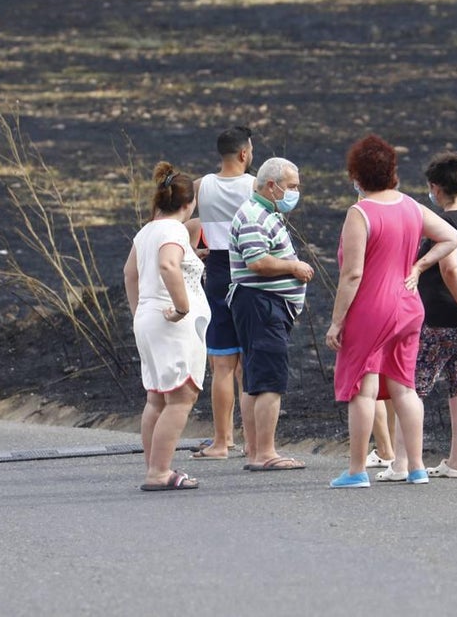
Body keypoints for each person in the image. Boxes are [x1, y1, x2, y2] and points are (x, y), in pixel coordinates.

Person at [325, 135, 457, 488]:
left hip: (372, 309)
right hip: (408, 305)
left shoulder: (360, 213)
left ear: (357, 175)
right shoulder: (411, 206)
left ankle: (356, 470)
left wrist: (337, 321)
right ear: (392, 172)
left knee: (363, 388)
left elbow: (352, 274)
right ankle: (416, 467)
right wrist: (419, 266)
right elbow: (452, 237)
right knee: (405, 387)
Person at [379, 150, 457, 482]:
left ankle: (402, 464)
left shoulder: (445, 223)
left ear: (435, 187)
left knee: (411, 388)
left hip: (441, 319)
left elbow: (450, 270)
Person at [124, 162, 210, 491]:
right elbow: (168, 265)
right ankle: (159, 472)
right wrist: (182, 306)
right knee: (181, 396)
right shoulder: (174, 230)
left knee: (157, 398)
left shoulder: (147, 231)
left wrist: (139, 311)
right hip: (172, 323)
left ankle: (155, 467)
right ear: (188, 203)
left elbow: (130, 274)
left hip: (148, 318)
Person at [227, 157, 314, 471]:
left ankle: (255, 450)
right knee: (268, 380)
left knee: (254, 378)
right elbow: (257, 261)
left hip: (262, 305)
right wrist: (293, 267)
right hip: (262, 304)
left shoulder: (266, 213)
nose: (295, 193)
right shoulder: (254, 216)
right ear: (272, 186)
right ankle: (265, 453)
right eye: (291, 186)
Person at [190, 126, 256, 461]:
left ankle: (221, 441)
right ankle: (253, 442)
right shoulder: (255, 186)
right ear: (244, 153)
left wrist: (193, 252)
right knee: (250, 362)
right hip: (249, 270)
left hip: (216, 269)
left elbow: (178, 220)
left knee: (222, 363)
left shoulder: (200, 186)